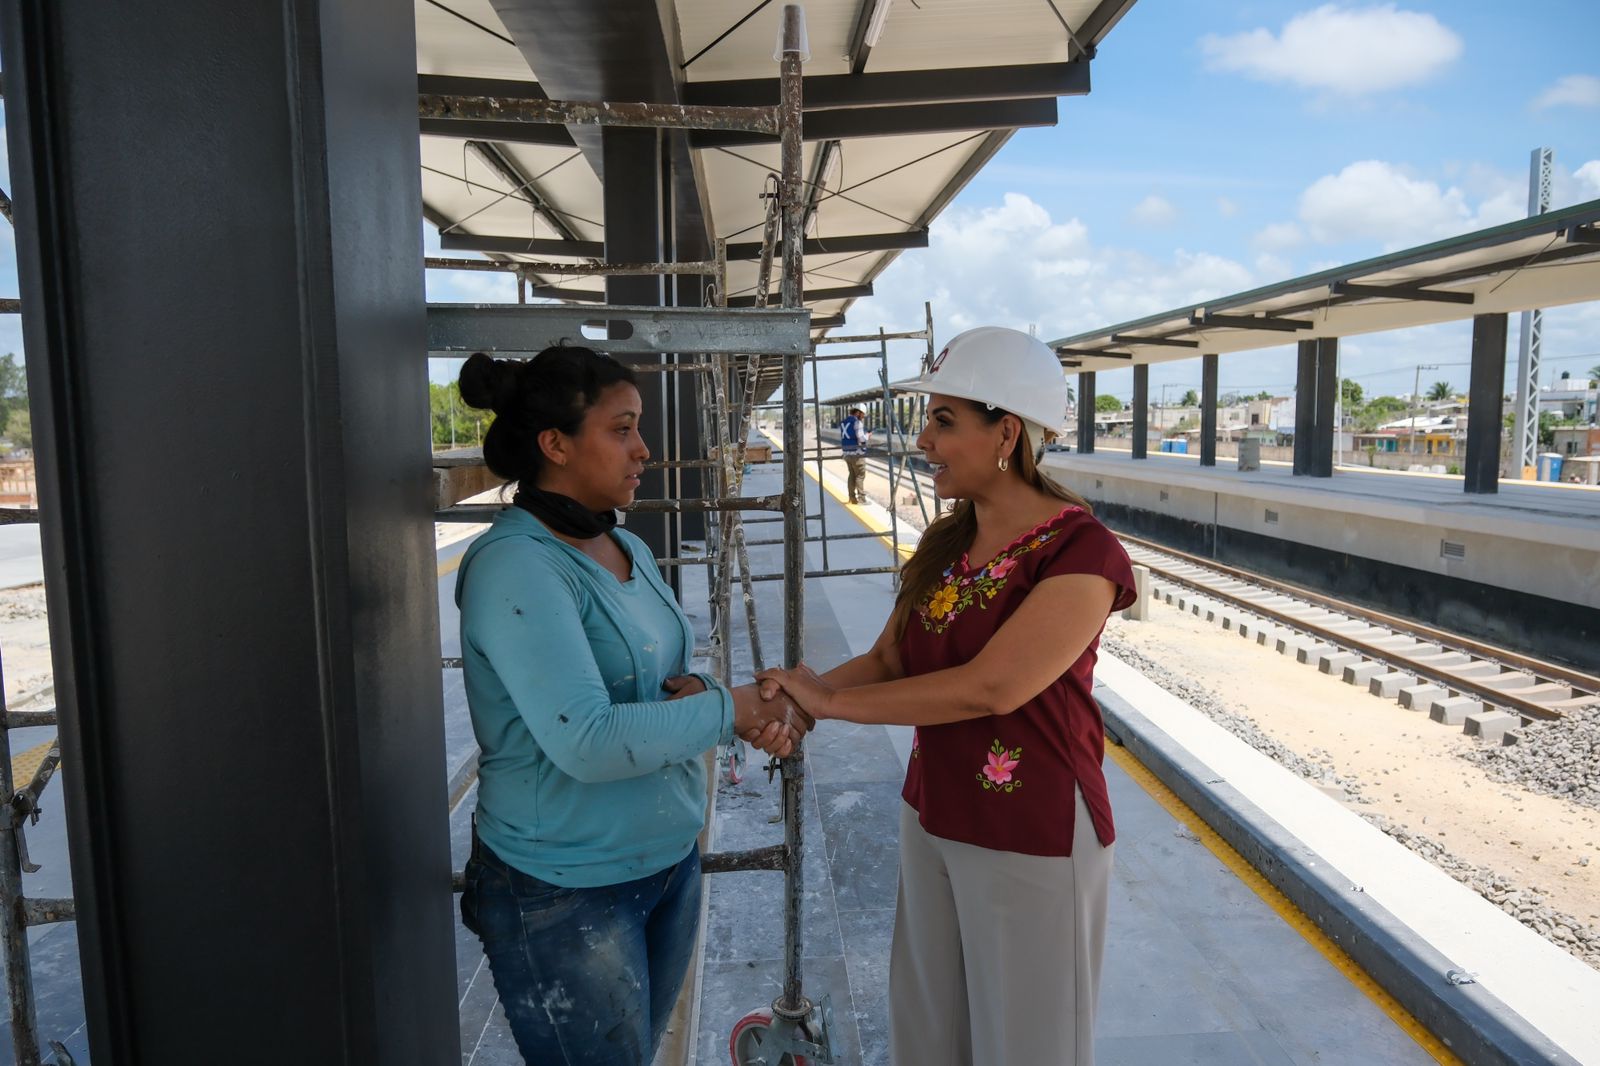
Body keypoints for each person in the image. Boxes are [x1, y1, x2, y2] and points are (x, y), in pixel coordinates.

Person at [758, 327, 1136, 1066]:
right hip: (933, 808)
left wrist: (827, 708)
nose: (924, 439)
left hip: (1033, 827)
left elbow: (992, 687)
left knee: (1029, 1043)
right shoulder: (946, 543)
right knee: (931, 1032)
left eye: (943, 421)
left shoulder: (1083, 554)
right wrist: (799, 697)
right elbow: (892, 656)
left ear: (1007, 432)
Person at [453, 346, 807, 1066]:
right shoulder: (517, 564)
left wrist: (716, 700)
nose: (645, 449)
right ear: (555, 444)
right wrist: (729, 709)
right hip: (566, 892)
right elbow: (587, 739)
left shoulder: (620, 543)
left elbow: (664, 684)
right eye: (622, 429)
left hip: (667, 860)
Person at [841, 405, 871, 504]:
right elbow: (861, 438)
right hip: (856, 453)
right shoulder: (857, 422)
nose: (863, 417)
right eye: (862, 414)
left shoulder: (844, 422)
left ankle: (852, 498)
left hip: (846, 453)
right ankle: (862, 499)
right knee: (860, 476)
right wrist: (868, 436)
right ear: (858, 412)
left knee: (852, 475)